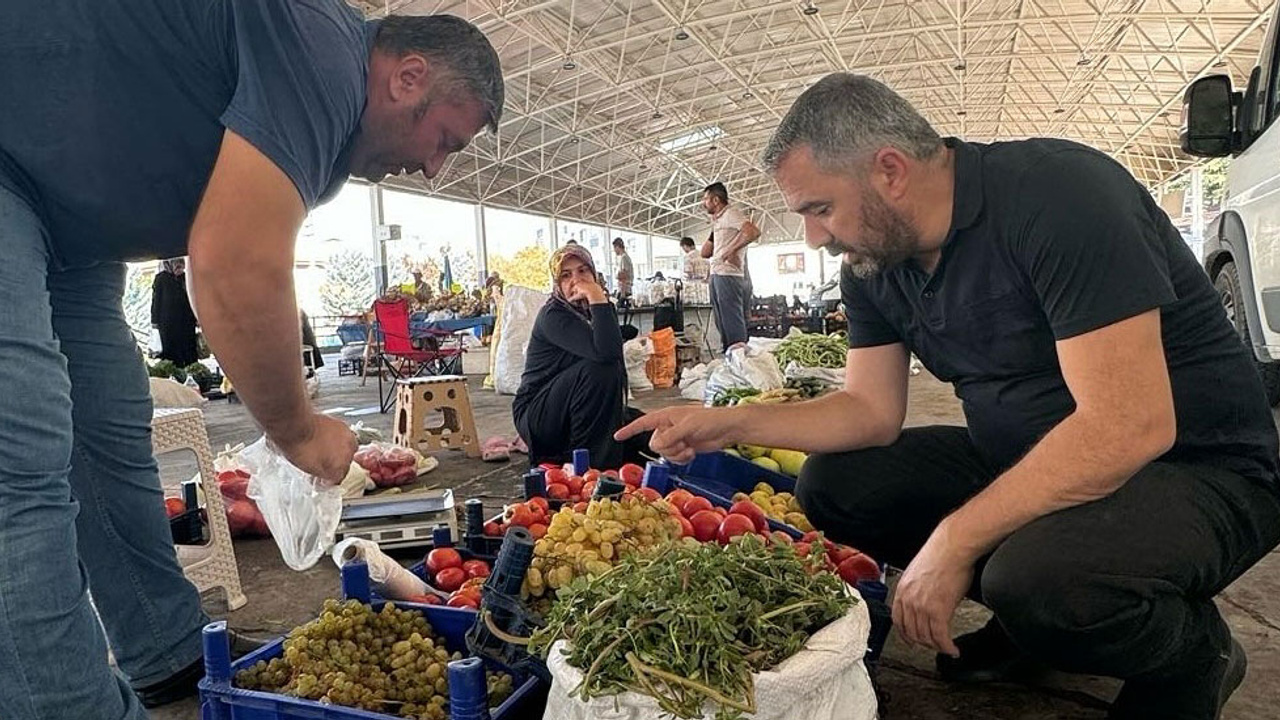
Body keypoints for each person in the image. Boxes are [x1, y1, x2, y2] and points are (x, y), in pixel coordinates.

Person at [617, 73, 1280, 720]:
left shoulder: (1058, 196)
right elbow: (869, 412)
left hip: (1197, 470)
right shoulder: (875, 267)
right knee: (835, 486)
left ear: (890, 170)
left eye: (820, 209)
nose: (816, 238)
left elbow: (1129, 426)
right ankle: (1029, 626)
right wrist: (728, 423)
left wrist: (956, 540)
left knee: (1044, 580)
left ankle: (1195, 656)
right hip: (1036, 458)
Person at [0, 4, 503, 718]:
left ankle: (168, 653)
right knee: (18, 455)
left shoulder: (322, 114)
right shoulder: (324, 54)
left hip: (69, 228)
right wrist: (300, 431)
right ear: (407, 76)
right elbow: (234, 264)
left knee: (108, 431)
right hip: (15, 170)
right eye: (443, 138)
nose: (431, 167)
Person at [513, 246, 648, 469]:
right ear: (557, 284)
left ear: (594, 275)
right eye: (566, 275)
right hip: (540, 416)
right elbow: (607, 355)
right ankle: (593, 472)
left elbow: (613, 352)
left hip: (574, 407)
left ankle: (590, 456)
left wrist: (599, 301)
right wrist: (596, 296)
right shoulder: (553, 315)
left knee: (644, 430)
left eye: (583, 271)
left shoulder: (595, 310)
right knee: (601, 369)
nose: (576, 280)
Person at [700, 182, 760, 351]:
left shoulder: (731, 214)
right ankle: (730, 356)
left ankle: (740, 357)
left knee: (732, 321)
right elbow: (705, 252)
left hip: (728, 275)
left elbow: (753, 232)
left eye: (706, 199)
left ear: (716, 200)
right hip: (717, 273)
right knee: (722, 322)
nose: (703, 203)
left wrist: (730, 250)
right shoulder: (719, 220)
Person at [150, 258, 199, 367]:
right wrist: (154, 322)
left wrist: (196, 317)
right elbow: (156, 301)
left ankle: (192, 374)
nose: (180, 268)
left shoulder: (185, 278)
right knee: (171, 353)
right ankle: (173, 376)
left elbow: (193, 297)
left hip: (186, 322)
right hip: (167, 324)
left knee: (188, 351)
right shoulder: (161, 279)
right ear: (169, 264)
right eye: (177, 265)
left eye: (181, 265)